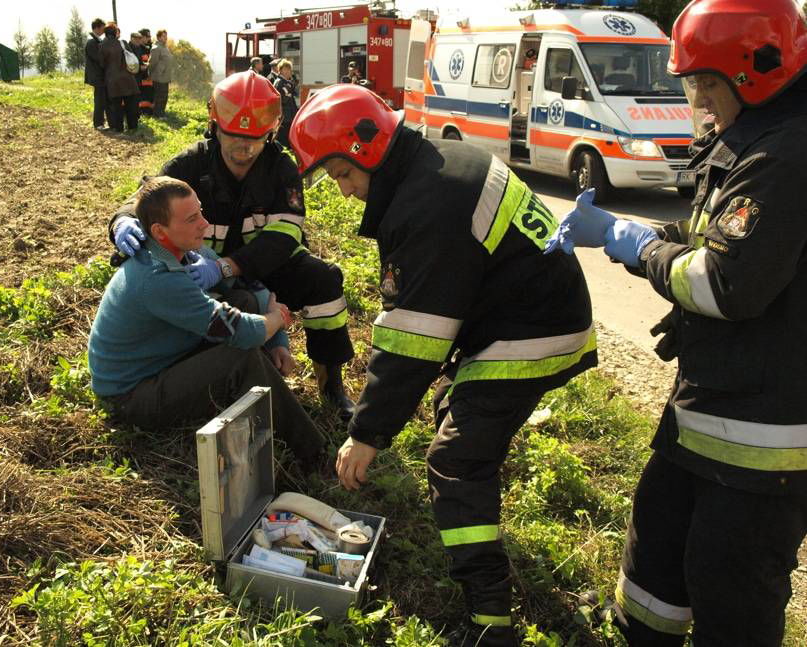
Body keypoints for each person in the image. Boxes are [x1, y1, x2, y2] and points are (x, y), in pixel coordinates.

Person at [289, 84, 597, 647]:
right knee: (456, 415)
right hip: (527, 314)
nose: (347, 192)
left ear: (366, 150)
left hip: (530, 331)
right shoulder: (436, 163)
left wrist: (367, 434)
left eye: (341, 175)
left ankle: (490, 624)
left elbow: (415, 339)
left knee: (454, 460)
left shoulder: (427, 203)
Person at [545, 1, 807, 644]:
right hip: (711, 403)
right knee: (656, 552)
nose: (700, 101)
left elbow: (723, 281)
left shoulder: (789, 154)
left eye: (705, 84)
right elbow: (708, 239)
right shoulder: (752, 138)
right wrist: (643, 236)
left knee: (730, 587)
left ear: (755, 72)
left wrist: (637, 246)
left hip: (766, 434)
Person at [107, 71, 356, 419]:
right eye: (235, 136)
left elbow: (284, 236)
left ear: (271, 132)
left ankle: (331, 384)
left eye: (256, 138)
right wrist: (122, 221)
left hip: (261, 266)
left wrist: (227, 267)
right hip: (203, 275)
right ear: (215, 126)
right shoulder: (189, 164)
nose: (245, 147)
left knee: (324, 280)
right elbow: (143, 199)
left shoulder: (282, 168)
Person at [88, 175, 325, 462]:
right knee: (241, 356)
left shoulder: (179, 248)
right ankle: (314, 455)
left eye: (200, 211)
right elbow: (243, 332)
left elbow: (246, 289)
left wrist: (278, 341)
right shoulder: (156, 278)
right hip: (132, 396)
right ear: (160, 231)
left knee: (244, 301)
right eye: (191, 219)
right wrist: (279, 318)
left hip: (162, 357)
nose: (204, 223)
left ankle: (263, 395)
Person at [99, 22, 140, 133]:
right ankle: (132, 127)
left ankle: (118, 128)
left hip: (113, 81)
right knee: (130, 104)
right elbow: (132, 58)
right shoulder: (123, 43)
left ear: (105, 33)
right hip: (128, 79)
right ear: (115, 32)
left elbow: (101, 64)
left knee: (116, 107)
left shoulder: (102, 46)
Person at [84, 18, 108, 129]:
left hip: (99, 75)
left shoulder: (96, 40)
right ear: (97, 28)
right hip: (97, 76)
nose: (104, 31)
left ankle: (100, 122)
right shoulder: (91, 42)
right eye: (103, 28)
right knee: (99, 100)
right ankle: (98, 123)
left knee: (101, 99)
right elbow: (98, 59)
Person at [273, 59, 298, 148]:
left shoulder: (287, 82)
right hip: (284, 115)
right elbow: (281, 100)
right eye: (286, 69)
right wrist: (287, 90)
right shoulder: (279, 82)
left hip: (289, 114)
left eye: (289, 69)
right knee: (283, 137)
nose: (288, 72)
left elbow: (294, 94)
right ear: (281, 70)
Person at [149, 29, 172, 118]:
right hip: (159, 76)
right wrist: (150, 74)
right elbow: (152, 62)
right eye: (163, 36)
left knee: (164, 96)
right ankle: (157, 114)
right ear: (158, 37)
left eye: (166, 36)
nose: (165, 38)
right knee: (160, 96)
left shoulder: (165, 47)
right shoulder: (156, 48)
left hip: (165, 76)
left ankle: (161, 113)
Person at [137, 28, 154, 115]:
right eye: (147, 36)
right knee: (141, 97)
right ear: (142, 37)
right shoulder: (137, 48)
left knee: (149, 97)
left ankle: (148, 111)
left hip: (149, 80)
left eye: (150, 36)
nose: (149, 38)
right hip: (140, 79)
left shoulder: (149, 48)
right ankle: (141, 112)